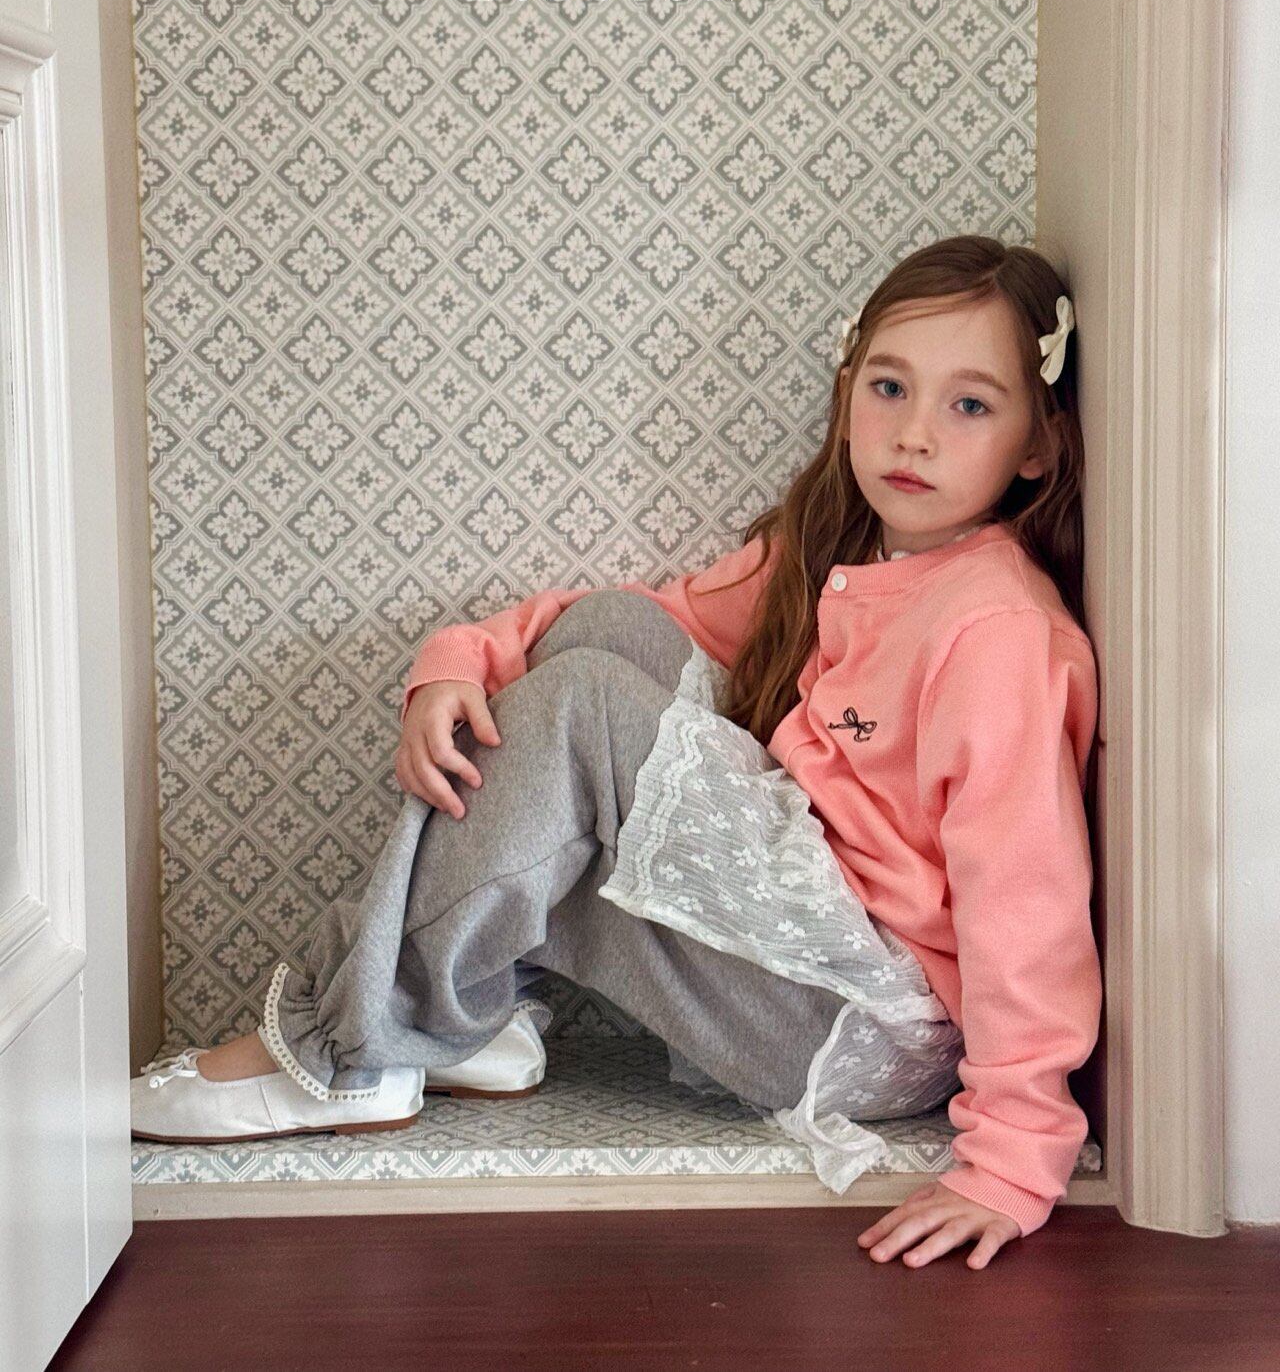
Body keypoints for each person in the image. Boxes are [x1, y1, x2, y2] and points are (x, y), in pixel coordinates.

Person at [130, 233, 1101, 1272]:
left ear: (1036, 446)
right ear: (847, 386)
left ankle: (348, 1049)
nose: (913, 434)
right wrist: (458, 661)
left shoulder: (995, 631)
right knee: (609, 634)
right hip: (798, 949)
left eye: (969, 405)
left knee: (589, 702)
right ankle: (470, 1009)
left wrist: (1011, 1159)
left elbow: (1025, 900)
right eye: (889, 387)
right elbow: (649, 617)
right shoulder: (838, 547)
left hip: (868, 1026)